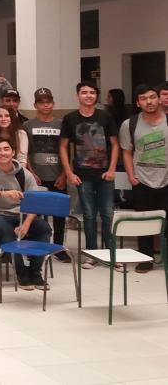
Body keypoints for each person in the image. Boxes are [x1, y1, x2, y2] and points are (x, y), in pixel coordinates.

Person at [0, 136, 50, 290]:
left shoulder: (24, 173)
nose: (3, 153)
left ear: (13, 152)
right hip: (1, 215)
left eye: (6, 149)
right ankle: (22, 275)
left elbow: (35, 201)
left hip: (24, 215)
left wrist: (26, 224)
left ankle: (35, 272)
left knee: (44, 229)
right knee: (6, 235)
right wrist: (3, 194)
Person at [59, 81, 119, 268]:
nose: (88, 95)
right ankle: (91, 254)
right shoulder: (70, 119)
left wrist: (112, 170)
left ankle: (110, 254)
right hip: (82, 175)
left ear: (96, 96)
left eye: (92, 92)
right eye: (84, 92)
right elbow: (62, 147)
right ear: (78, 96)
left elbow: (115, 144)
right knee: (89, 215)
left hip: (104, 176)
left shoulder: (105, 117)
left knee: (108, 215)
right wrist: (69, 172)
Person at [119, 84, 168, 273]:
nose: (149, 101)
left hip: (166, 180)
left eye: (152, 97)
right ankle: (145, 259)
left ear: (158, 99)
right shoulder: (129, 124)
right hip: (142, 181)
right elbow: (127, 152)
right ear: (138, 103)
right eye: (143, 98)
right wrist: (131, 176)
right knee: (144, 223)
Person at [23, 88, 69, 262]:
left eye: (48, 101)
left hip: (57, 176)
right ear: (35, 105)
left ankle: (58, 248)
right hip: (37, 177)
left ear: (53, 103)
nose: (45, 105)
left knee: (59, 216)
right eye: (41, 102)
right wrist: (31, 174)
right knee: (36, 216)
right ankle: (37, 246)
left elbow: (67, 151)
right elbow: (25, 153)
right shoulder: (28, 125)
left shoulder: (61, 124)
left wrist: (65, 173)